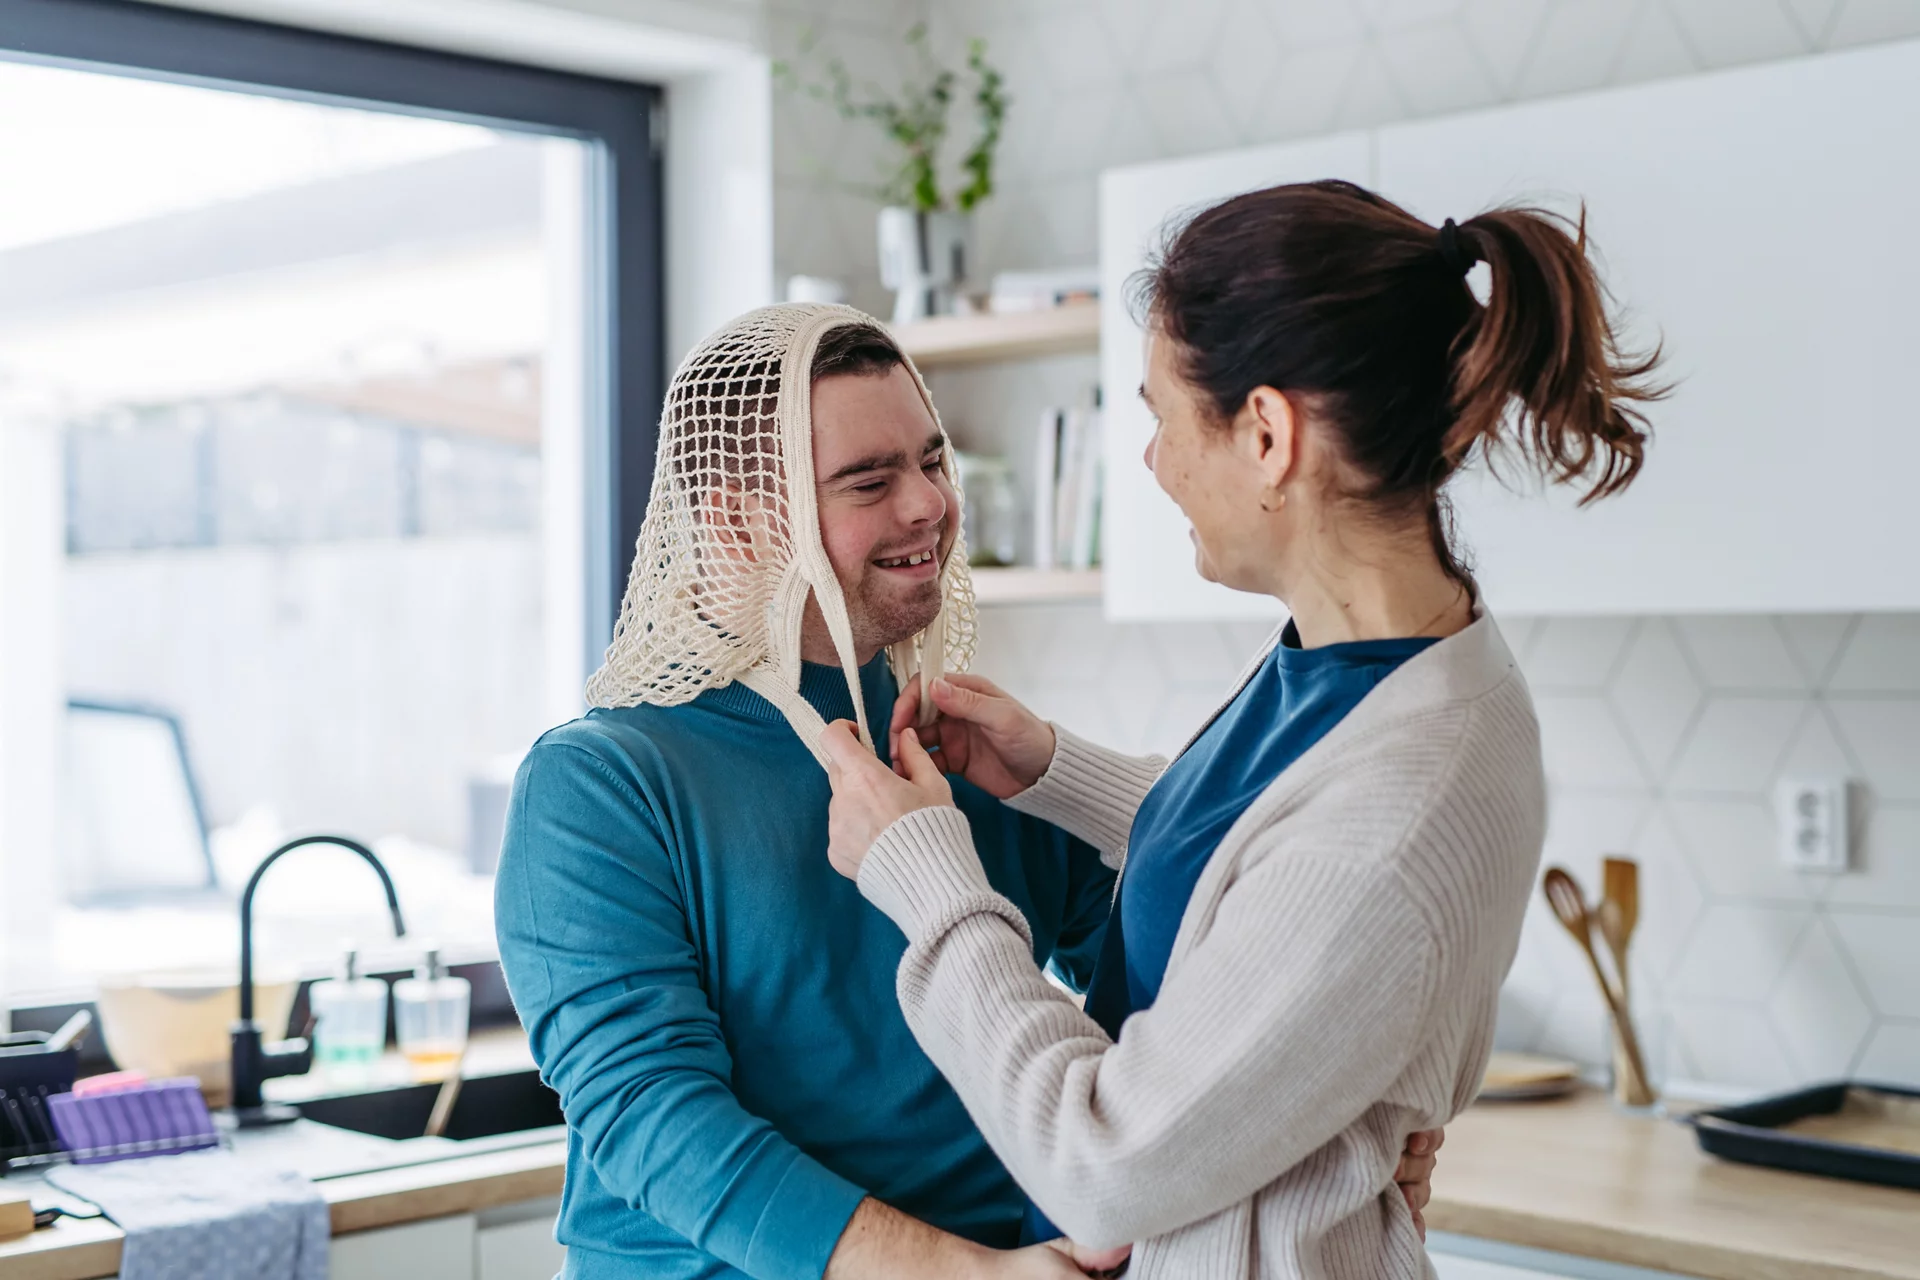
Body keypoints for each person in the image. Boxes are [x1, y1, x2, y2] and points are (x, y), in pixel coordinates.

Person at [819, 180, 1665, 1279]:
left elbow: (1103, 1159)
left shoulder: (1406, 792)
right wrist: (1057, 771)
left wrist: (926, 874)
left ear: (1268, 434)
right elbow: (1266, 874)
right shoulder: (1355, 659)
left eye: (1165, 418)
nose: (1155, 462)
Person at [494, 302, 1441, 1280]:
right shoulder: (599, 785)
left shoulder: (963, 744)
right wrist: (963, 1273)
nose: (928, 506)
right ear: (742, 519)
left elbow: (1181, 979)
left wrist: (1345, 1127)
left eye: (933, 462)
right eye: (871, 479)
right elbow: (653, 1118)